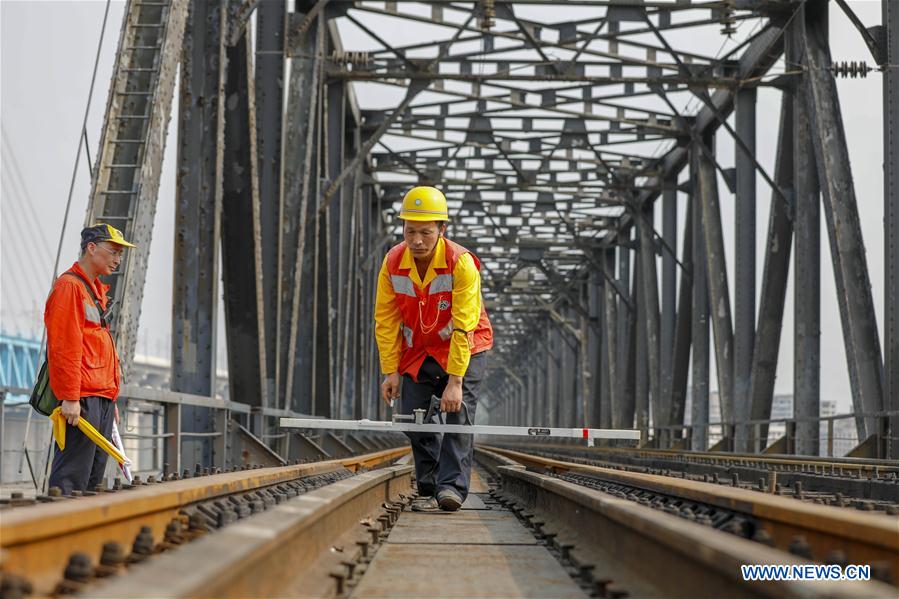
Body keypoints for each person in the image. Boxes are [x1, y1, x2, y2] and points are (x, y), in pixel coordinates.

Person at [374, 186, 493, 512]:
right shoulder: (393, 263)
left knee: (457, 413)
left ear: (442, 229)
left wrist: (455, 381)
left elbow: (463, 325)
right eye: (410, 231)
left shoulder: (461, 263)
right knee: (412, 418)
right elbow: (385, 320)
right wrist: (391, 370)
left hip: (467, 345)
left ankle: (451, 488)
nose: (416, 240)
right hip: (419, 350)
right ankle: (430, 481)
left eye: (425, 232)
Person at [45, 223, 135, 494]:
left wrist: (110, 398)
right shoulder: (69, 288)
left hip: (100, 397)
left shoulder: (92, 291)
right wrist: (70, 397)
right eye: (113, 251)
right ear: (91, 248)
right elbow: (64, 347)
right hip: (82, 398)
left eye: (121, 254)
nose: (118, 259)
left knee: (93, 476)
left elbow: (95, 347)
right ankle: (59, 529)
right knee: (72, 475)